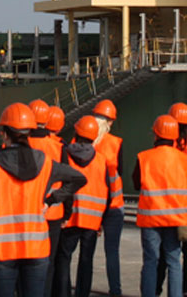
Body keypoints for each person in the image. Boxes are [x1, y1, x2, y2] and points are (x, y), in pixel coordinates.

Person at [0, 102, 87, 297]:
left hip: (3, 250)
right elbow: (78, 178)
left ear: (4, 134)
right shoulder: (44, 163)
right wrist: (52, 200)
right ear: (29, 133)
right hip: (36, 248)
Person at [134, 114, 187, 297]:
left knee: (151, 260)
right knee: (174, 261)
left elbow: (137, 183)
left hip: (151, 217)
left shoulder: (144, 157)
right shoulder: (184, 159)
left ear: (156, 135)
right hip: (176, 218)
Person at [53, 115, 110, 297]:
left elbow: (63, 185)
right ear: (94, 136)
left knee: (63, 259)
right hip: (92, 220)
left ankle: (63, 293)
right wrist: (102, 219)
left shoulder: (66, 154)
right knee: (86, 261)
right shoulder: (101, 160)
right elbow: (106, 190)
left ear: (76, 133)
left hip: (70, 218)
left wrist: (64, 214)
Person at [157, 102, 187, 297]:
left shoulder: (168, 145)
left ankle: (157, 287)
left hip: (169, 205)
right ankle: (185, 288)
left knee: (165, 251)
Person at [28, 99, 67, 297]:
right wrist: (66, 213)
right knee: (48, 263)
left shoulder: (17, 145)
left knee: (25, 263)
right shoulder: (58, 148)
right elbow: (68, 183)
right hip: (52, 214)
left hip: (24, 213)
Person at [93, 99, 125, 297]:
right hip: (114, 203)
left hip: (91, 204)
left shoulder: (78, 141)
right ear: (110, 122)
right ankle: (116, 290)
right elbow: (119, 171)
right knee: (112, 251)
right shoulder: (116, 143)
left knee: (85, 253)